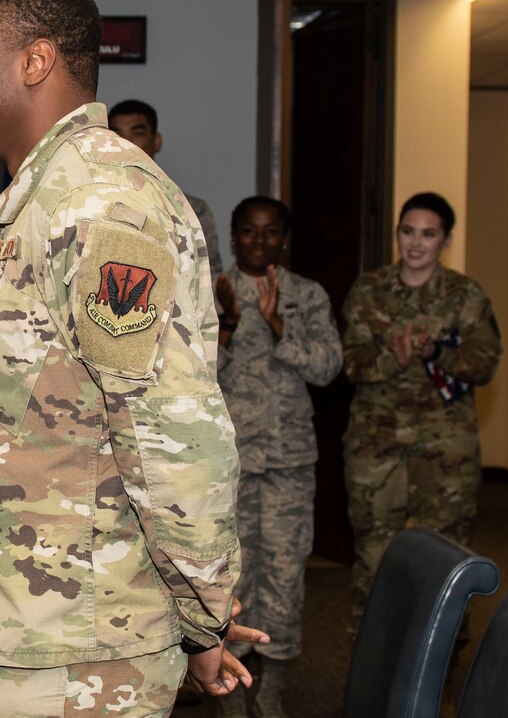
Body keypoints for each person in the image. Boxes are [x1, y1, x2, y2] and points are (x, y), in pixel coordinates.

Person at [0, 0, 249, 716]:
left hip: (82, 649)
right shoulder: (52, 195)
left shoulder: (100, 203)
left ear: (35, 60)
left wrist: (203, 613)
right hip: (53, 629)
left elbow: (169, 434)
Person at [340, 192, 501, 621]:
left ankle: (443, 673)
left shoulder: (464, 295)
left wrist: (437, 352)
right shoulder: (369, 291)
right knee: (375, 556)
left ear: (445, 240)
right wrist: (397, 357)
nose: (416, 243)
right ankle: (372, 669)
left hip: (444, 448)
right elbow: (351, 364)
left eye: (428, 234)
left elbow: (485, 364)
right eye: (407, 231)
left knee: (446, 561)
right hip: (377, 446)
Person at [211, 197, 341, 718]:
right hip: (230, 461)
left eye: (270, 233)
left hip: (289, 462)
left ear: (284, 239)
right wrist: (231, 324)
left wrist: (279, 327)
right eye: (248, 231)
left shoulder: (306, 295)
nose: (258, 242)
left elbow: (329, 366)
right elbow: (187, 374)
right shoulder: (212, 289)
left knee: (285, 574)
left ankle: (273, 686)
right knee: (231, 576)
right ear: (235, 234)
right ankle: (229, 687)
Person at [107, 99, 224, 278]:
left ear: (156, 141)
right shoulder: (96, 203)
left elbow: (208, 278)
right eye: (117, 134)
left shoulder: (190, 210)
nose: (126, 142)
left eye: (137, 133)